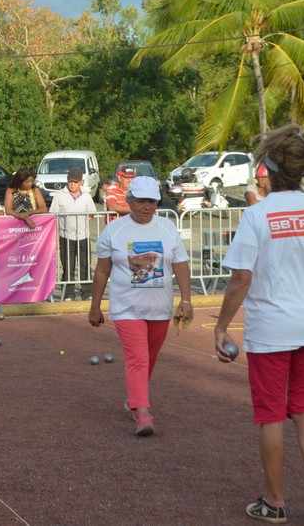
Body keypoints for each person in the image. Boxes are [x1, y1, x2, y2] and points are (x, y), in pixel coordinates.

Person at [214, 124, 304, 523]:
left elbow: (241, 279)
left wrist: (222, 326)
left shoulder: (257, 215)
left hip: (272, 329)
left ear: (268, 170)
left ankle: (274, 504)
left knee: (272, 414)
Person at [88, 176, 192, 437]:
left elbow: (180, 265)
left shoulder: (167, 228)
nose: (147, 207)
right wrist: (95, 306)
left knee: (150, 358)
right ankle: (143, 414)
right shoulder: (113, 231)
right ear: (129, 201)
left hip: (159, 308)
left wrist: (187, 300)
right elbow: (102, 271)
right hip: (127, 308)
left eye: (152, 201)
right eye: (141, 201)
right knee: (138, 357)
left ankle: (134, 399)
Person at [49, 169, 97, 301]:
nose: (72, 184)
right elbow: (53, 215)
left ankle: (87, 292)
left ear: (81, 182)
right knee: (67, 266)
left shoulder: (86, 196)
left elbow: (91, 214)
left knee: (85, 265)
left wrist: (81, 224)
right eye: (70, 181)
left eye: (75, 182)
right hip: (65, 237)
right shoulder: (60, 195)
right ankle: (68, 293)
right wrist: (56, 236)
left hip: (83, 236)